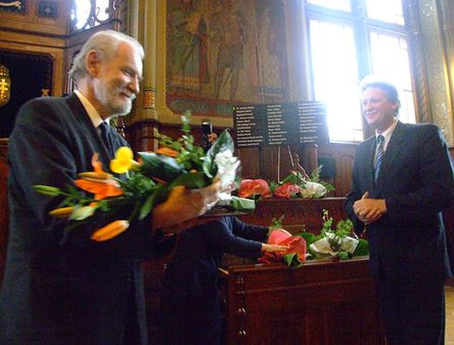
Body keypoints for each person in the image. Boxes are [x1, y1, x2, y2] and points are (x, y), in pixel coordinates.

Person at [0, 30, 222, 345]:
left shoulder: (118, 142)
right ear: (93, 63)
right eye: (128, 72)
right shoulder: (44, 116)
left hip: (115, 318)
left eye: (138, 77)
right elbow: (61, 216)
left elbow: (131, 221)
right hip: (56, 320)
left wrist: (171, 223)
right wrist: (158, 218)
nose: (135, 85)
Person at [345, 78, 454, 345]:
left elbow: (443, 191)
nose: (368, 106)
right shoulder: (362, 151)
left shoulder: (424, 135)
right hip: (383, 265)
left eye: (375, 100)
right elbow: (353, 198)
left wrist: (386, 206)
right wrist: (358, 211)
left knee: (424, 338)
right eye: (365, 102)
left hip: (420, 263)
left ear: (395, 104)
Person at [158, 216, 288, 345]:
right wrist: (264, 248)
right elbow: (226, 241)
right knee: (200, 335)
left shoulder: (221, 209)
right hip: (187, 285)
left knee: (210, 332)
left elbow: (243, 229)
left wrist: (272, 232)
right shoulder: (208, 210)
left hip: (200, 281)